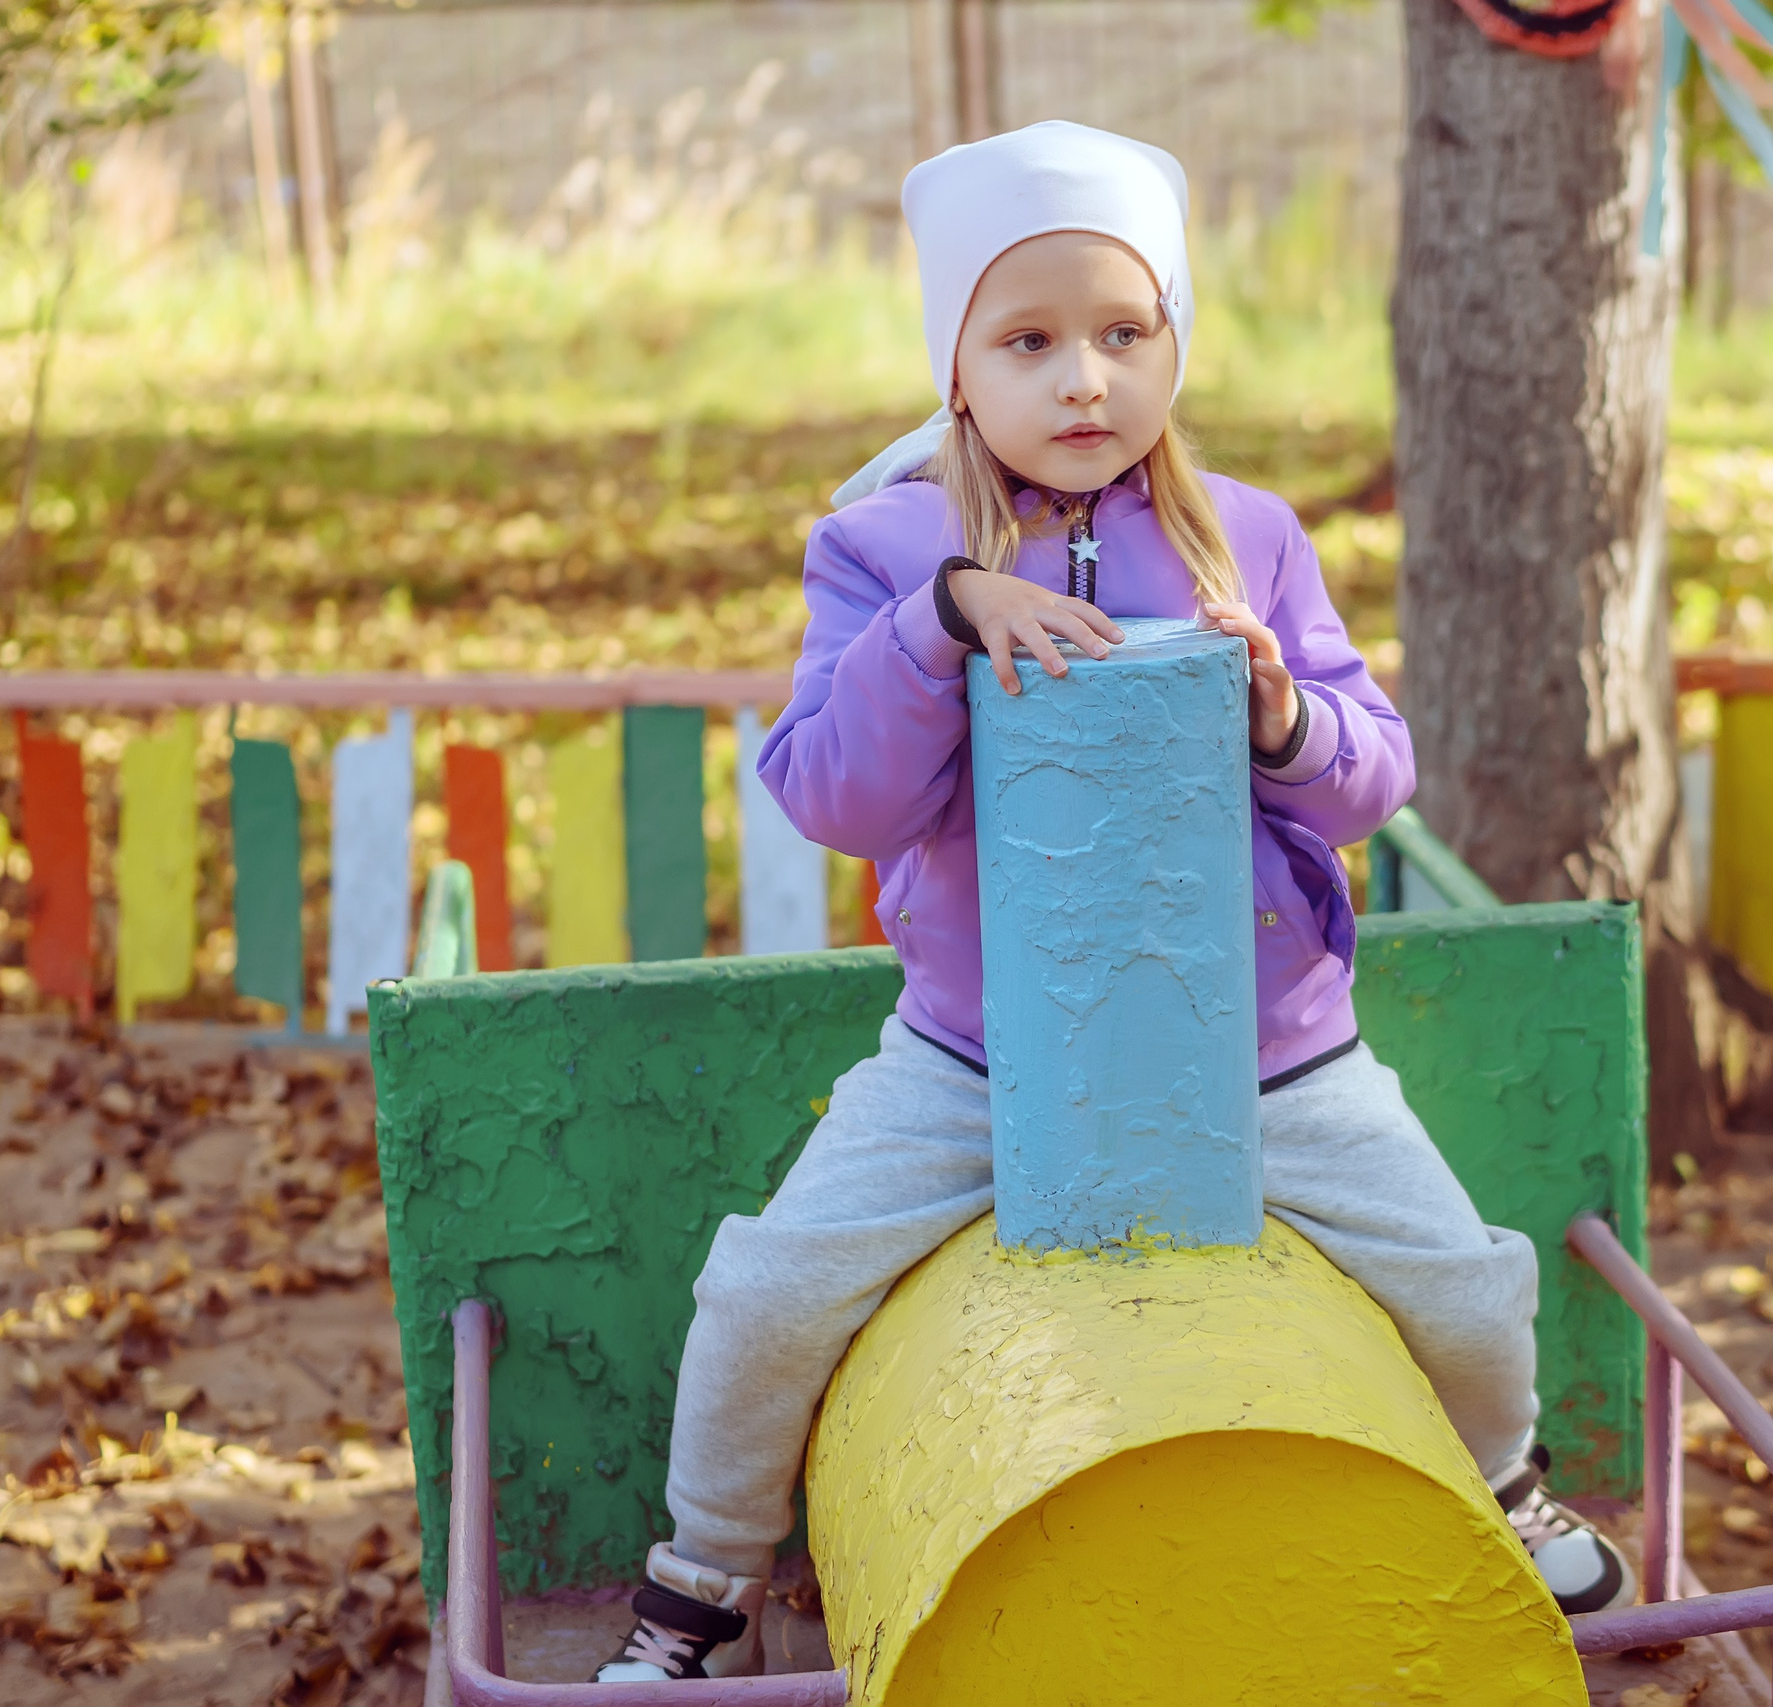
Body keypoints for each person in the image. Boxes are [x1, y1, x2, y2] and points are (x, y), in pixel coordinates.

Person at [595, 120, 1632, 1685]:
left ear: (1172, 350)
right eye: (1030, 341)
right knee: (768, 1283)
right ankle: (701, 1579)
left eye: (1123, 335)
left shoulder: (1253, 537)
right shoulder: (884, 551)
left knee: (1469, 1279)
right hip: (979, 1059)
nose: (1083, 380)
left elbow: (1375, 777)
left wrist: (1285, 716)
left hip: (1266, 1055)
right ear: (958, 371)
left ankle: (1501, 1483)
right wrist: (943, 622)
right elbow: (831, 793)